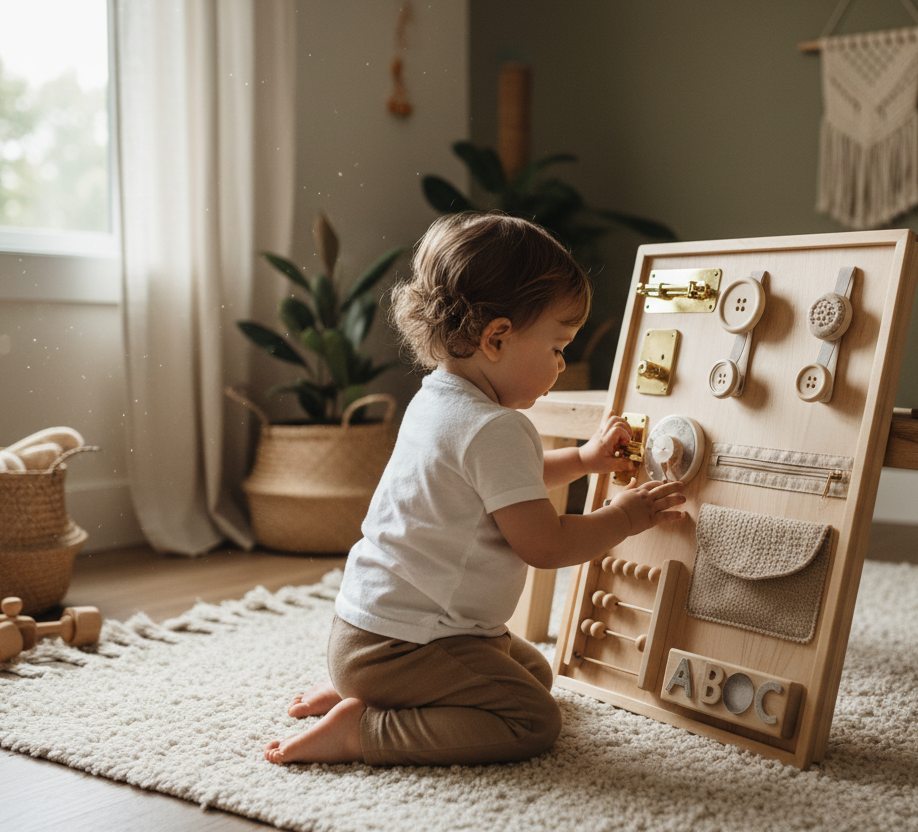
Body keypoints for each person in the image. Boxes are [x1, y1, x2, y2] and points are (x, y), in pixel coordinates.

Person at [264, 213, 686, 767]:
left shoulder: (439, 398)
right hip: (406, 646)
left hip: (368, 631)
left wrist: (585, 459)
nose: (562, 364)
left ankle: (360, 689)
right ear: (496, 338)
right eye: (558, 347)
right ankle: (364, 729)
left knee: (534, 670)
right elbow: (547, 544)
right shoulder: (496, 428)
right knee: (532, 719)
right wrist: (625, 517)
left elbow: (509, 483)